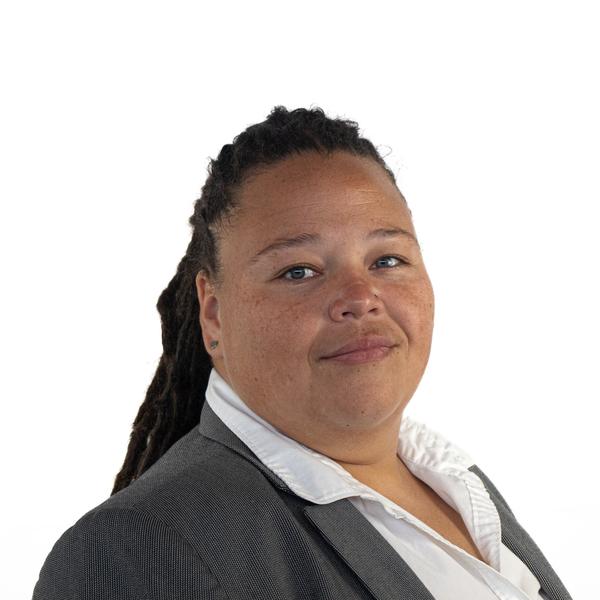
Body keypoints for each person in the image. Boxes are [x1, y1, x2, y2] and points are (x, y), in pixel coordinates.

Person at [32, 106, 573, 600]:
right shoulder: (140, 552)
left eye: (387, 260)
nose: (361, 297)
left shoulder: (456, 483)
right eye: (299, 271)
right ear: (214, 314)